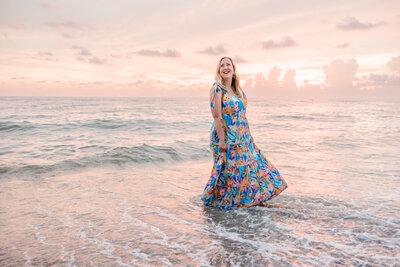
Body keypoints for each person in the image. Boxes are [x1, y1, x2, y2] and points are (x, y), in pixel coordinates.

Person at [201, 56, 288, 210]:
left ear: (234, 69)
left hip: (243, 138)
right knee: (229, 172)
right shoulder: (217, 88)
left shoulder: (237, 89)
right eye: (222, 66)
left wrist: (248, 136)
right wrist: (222, 140)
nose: (226, 67)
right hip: (226, 138)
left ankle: (252, 200)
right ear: (219, 71)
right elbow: (217, 116)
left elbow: (242, 115)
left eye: (228, 64)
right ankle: (220, 204)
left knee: (252, 167)